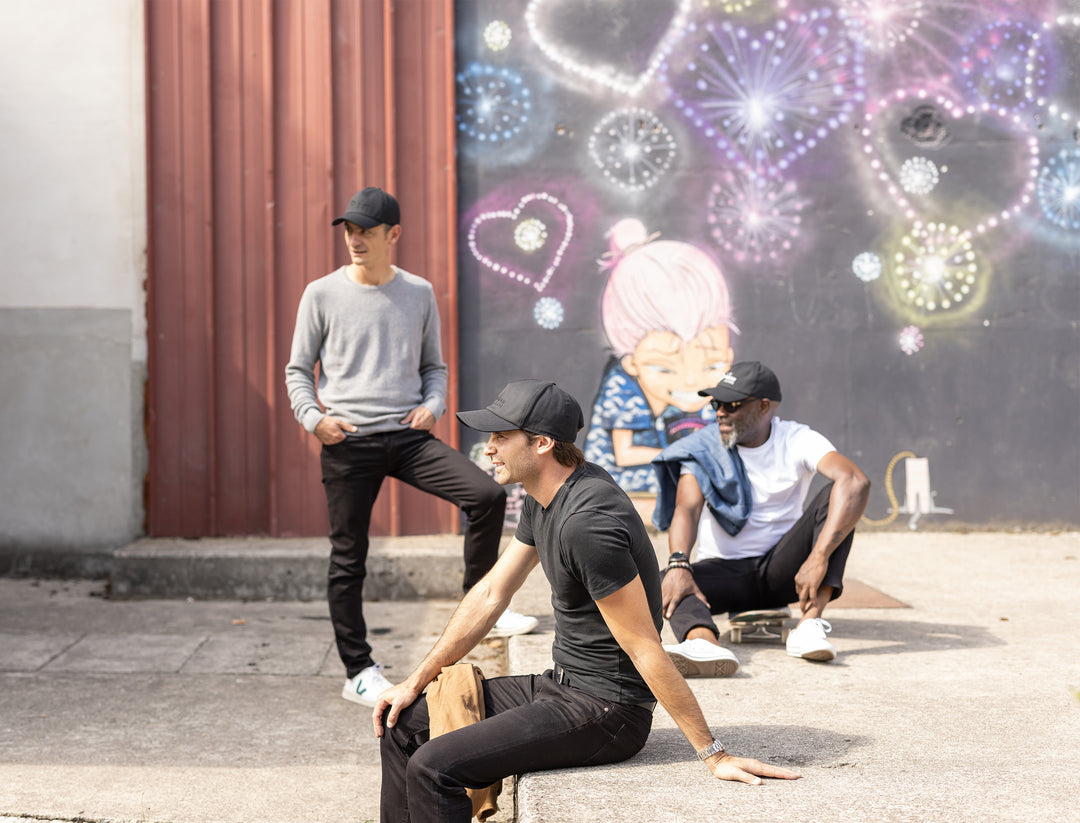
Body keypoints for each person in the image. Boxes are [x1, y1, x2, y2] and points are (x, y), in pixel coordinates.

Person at [375, 379, 800, 822]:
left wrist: (714, 755)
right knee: (401, 724)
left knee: (434, 766)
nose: (489, 448)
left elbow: (644, 646)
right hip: (561, 685)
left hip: (608, 711)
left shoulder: (586, 524)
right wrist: (414, 682)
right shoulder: (545, 494)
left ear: (541, 443)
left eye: (501, 437)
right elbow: (490, 593)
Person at [284, 187, 536, 708]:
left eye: (367, 232)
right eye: (350, 230)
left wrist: (434, 405)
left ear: (392, 235)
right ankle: (358, 669)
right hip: (348, 440)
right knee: (349, 555)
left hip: (407, 437)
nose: (355, 240)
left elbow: (434, 367)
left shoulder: (418, 292)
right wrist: (315, 420)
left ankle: (483, 604)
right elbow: (297, 370)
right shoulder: (321, 294)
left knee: (486, 497)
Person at [653, 361, 871, 676]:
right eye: (716, 403)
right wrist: (678, 564)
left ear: (764, 406)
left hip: (788, 571)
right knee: (667, 578)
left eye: (731, 404)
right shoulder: (703, 449)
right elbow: (686, 509)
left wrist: (818, 557)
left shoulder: (795, 439)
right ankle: (703, 643)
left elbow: (855, 481)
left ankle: (808, 626)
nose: (719, 412)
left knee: (842, 501)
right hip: (724, 571)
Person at [584, 218, 737, 495]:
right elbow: (624, 454)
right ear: (632, 362)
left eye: (712, 364)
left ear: (728, 356)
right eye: (665, 368)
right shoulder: (622, 388)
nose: (691, 379)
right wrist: (685, 452)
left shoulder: (709, 395)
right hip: (623, 487)